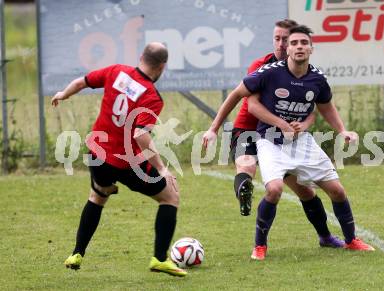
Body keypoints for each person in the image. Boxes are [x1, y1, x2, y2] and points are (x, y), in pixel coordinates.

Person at [202, 20, 344, 249]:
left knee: (306, 191)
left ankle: (325, 236)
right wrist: (213, 128)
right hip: (248, 130)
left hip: (280, 139)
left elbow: (314, 109)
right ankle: (244, 191)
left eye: (285, 39)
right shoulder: (262, 66)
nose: (281, 44)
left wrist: (304, 124)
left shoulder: (306, 73)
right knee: (247, 166)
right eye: (277, 39)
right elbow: (247, 100)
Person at [51, 42, 187, 276]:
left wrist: (63, 94)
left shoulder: (117, 72)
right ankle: (159, 258)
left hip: (96, 154)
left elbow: (81, 82)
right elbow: (140, 134)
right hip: (126, 162)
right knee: (170, 197)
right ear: (163, 66)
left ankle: (77, 253)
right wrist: (162, 168)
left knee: (98, 195)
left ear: (141, 56)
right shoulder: (152, 96)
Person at [244, 24, 375, 260]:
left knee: (337, 191)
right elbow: (249, 103)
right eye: (293, 43)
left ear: (311, 49)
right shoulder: (271, 72)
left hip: (301, 142)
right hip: (270, 141)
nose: (298, 47)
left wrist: (342, 130)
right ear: (288, 49)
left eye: (303, 43)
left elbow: (324, 107)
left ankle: (351, 240)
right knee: (274, 190)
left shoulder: (317, 78)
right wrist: (281, 124)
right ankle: (260, 246)